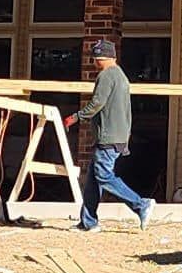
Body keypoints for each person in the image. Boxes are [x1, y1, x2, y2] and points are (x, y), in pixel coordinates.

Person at [64, 39, 154, 231]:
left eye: (95, 58)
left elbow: (97, 103)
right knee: (93, 180)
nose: (94, 62)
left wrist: (75, 117)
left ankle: (140, 204)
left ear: (100, 58)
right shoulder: (121, 76)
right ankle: (88, 222)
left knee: (103, 176)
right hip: (118, 135)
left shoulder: (106, 76)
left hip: (108, 136)